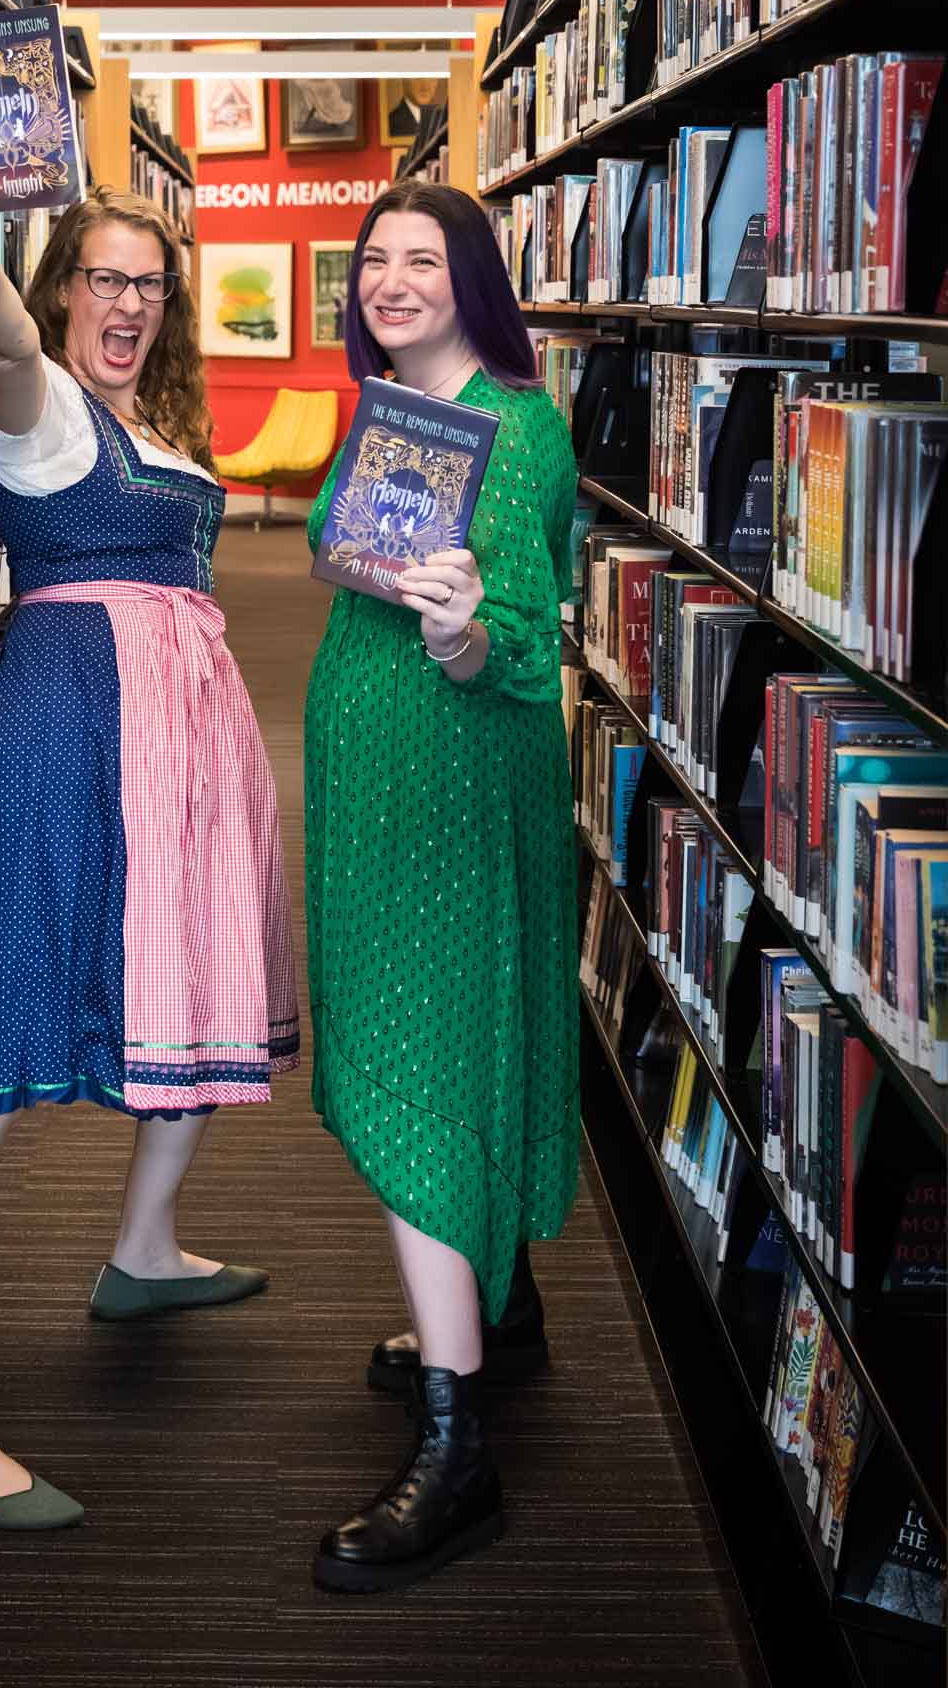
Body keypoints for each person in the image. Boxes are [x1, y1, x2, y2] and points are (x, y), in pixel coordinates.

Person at [0, 158, 299, 1532]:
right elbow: (1, 347)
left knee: (196, 983)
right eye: (103, 278)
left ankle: (141, 1246)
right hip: (68, 736)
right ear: (62, 282)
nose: (127, 304)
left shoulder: (155, 421)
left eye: (149, 286)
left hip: (180, 745)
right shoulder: (41, 409)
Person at [304, 180, 579, 1593]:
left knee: (423, 1050)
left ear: (476, 279)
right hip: (373, 791)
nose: (391, 280)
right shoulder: (382, 412)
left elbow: (521, 637)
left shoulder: (516, 432)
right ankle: (498, 1308)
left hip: (451, 793)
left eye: (423, 259)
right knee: (449, 1026)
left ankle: (459, 1452)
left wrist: (468, 643)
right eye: (373, 260)